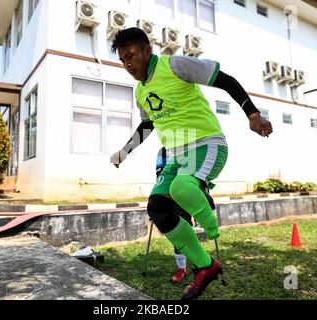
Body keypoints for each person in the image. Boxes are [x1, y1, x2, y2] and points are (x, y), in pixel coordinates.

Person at [110, 28, 273, 300]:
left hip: (207, 144)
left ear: (147, 50)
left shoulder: (175, 65)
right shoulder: (140, 91)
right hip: (177, 155)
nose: (127, 65)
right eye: (122, 61)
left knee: (181, 188)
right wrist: (125, 151)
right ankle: (206, 266)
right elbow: (149, 123)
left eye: (130, 56)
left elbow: (225, 79)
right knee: (158, 208)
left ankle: (209, 221)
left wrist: (253, 114)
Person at [156, 147, 216, 284]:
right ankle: (182, 268)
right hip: (172, 194)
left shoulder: (194, 147)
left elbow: (202, 173)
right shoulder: (163, 152)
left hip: (192, 192)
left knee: (205, 211)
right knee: (180, 233)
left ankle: (202, 263)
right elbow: (159, 176)